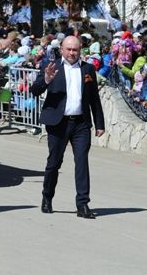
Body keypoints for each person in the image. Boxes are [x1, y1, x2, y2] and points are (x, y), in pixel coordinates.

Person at [30, 35, 105, 219]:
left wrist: (99, 123)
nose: (72, 53)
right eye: (69, 49)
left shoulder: (87, 69)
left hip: (80, 123)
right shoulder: (51, 66)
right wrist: (46, 80)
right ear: (61, 49)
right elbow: (35, 89)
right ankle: (47, 197)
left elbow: (94, 98)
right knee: (54, 163)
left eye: (75, 50)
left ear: (80, 51)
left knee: (81, 162)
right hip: (58, 123)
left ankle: (83, 204)